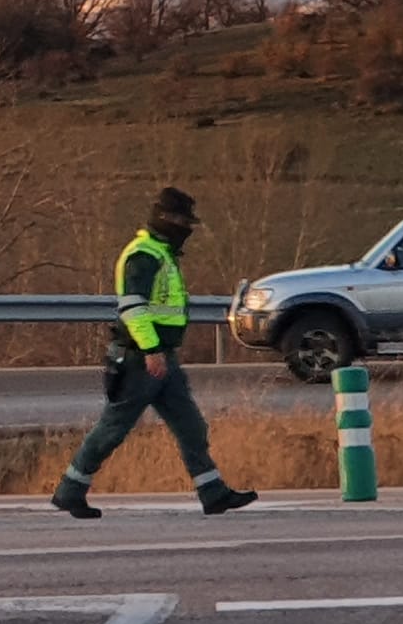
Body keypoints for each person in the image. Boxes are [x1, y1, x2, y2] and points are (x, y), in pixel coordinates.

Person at [52, 187, 258, 520]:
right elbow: (133, 309)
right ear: (166, 218)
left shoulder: (162, 253)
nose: (186, 228)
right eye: (182, 221)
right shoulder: (143, 255)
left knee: (191, 426)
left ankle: (213, 493)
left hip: (161, 357)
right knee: (113, 429)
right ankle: (69, 491)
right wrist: (151, 350)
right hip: (140, 358)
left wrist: (160, 352)